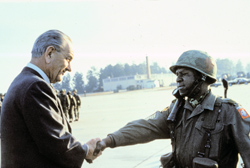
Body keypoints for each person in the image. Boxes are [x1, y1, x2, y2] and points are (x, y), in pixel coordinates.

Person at [96, 50, 250, 168]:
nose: (178, 79)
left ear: (202, 78)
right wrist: (107, 141)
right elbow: (145, 127)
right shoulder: (176, 111)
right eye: (177, 74)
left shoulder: (228, 112)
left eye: (184, 74)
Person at [1, 30, 101, 168]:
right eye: (68, 59)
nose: (70, 68)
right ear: (49, 54)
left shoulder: (24, 81)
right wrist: (86, 150)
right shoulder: (35, 86)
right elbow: (56, 143)